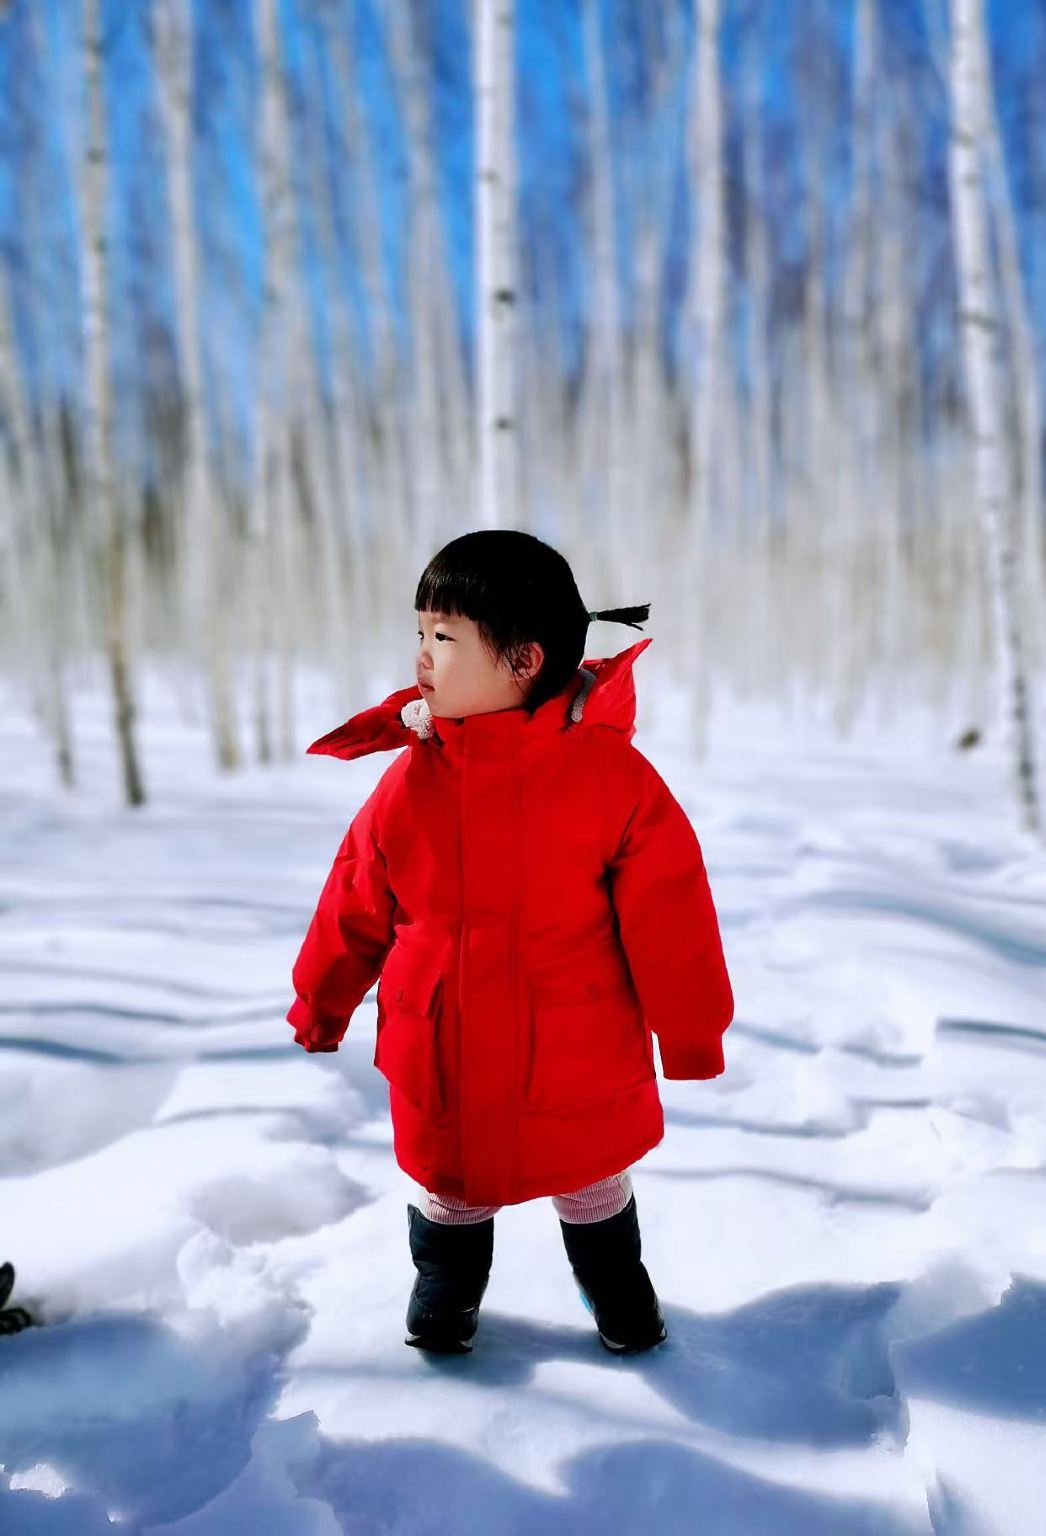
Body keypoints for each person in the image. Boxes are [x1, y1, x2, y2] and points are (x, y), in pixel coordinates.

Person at [287, 530, 734, 1355]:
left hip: (574, 1040)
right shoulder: (411, 782)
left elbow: (672, 914)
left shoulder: (607, 777)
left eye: (445, 637)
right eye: (419, 633)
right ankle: (447, 1289)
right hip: (445, 1038)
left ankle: (616, 1287)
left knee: (591, 1173)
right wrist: (322, 999)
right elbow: (355, 895)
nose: (422, 656)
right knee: (452, 1181)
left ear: (524, 660)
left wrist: (692, 1029)